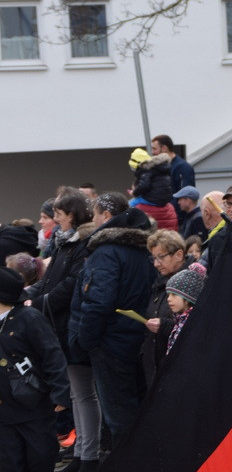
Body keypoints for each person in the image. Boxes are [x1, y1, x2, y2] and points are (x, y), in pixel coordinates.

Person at [26, 187, 101, 472]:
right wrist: (29, 295)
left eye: (57, 214)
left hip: (71, 324)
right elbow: (50, 281)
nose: (54, 219)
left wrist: (41, 302)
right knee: (76, 394)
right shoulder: (63, 243)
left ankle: (88, 456)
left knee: (84, 394)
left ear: (70, 214)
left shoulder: (82, 244)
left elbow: (70, 284)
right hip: (59, 325)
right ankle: (82, 454)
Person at [71, 193, 155, 450]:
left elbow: (99, 300)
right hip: (139, 338)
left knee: (118, 414)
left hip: (111, 342)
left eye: (95, 214)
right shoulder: (143, 249)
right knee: (138, 408)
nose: (93, 220)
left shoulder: (106, 252)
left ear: (106, 216)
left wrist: (86, 339)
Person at [0, 267, 71, 472]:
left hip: (35, 406)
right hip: (4, 409)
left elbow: (52, 355)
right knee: (10, 464)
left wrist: (60, 394)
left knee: (41, 460)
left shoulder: (29, 318)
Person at [143, 230, 188, 387]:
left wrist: (164, 325)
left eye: (160, 257)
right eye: (153, 258)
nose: (156, 264)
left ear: (178, 255)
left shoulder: (190, 283)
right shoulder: (161, 281)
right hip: (156, 367)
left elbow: (194, 326)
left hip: (178, 370)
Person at [128, 148, 177, 230]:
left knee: (130, 204)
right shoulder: (161, 170)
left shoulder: (147, 171)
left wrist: (134, 192)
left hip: (153, 199)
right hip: (164, 199)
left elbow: (144, 185)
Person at [165, 266, 206, 354]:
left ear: (187, 297)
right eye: (168, 294)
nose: (169, 299)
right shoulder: (179, 319)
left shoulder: (195, 323)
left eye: (174, 295)